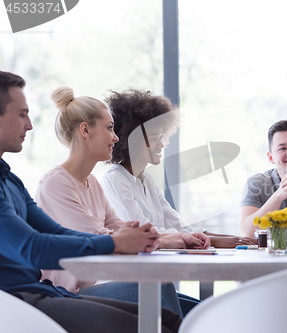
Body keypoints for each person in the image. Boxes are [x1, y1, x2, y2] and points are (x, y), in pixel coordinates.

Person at [0, 72, 181, 332]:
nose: (29, 124)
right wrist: (117, 241)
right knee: (155, 325)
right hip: (19, 305)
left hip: (40, 292)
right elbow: (33, 248)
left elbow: (57, 232)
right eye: (21, 114)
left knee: (169, 321)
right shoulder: (51, 182)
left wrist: (130, 238)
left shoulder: (11, 180)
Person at [35, 86, 208, 317]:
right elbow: (102, 239)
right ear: (85, 130)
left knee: (195, 309)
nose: (116, 137)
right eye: (109, 128)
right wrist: (167, 241)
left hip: (91, 290)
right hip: (64, 295)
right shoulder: (56, 184)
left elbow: (125, 231)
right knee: (160, 289)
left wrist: (180, 237)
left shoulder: (92, 184)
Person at [100, 89, 256, 248]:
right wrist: (212, 240)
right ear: (131, 141)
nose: (161, 145)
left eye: (161, 137)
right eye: (153, 138)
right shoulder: (115, 179)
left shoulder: (148, 181)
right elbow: (144, 231)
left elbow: (177, 224)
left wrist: (228, 238)